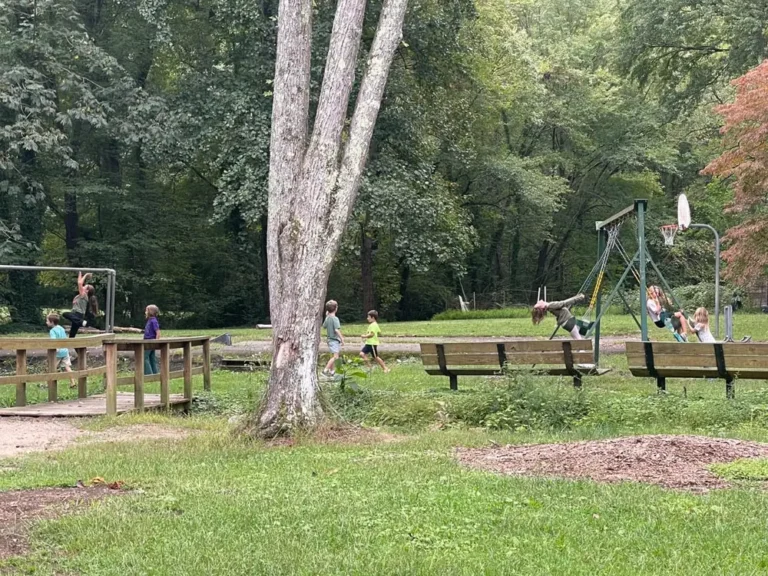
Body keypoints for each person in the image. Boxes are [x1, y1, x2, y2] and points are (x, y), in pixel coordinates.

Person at [62, 272, 98, 338]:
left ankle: (82, 322)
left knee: (65, 314)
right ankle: (75, 345)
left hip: (77, 314)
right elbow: (79, 282)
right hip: (78, 316)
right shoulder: (82, 295)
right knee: (72, 335)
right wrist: (80, 273)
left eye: (85, 287)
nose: (82, 287)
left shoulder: (83, 295)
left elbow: (79, 283)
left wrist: (86, 274)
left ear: (87, 291)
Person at [46, 314, 76, 388]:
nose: (46, 322)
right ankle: (73, 382)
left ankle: (49, 384)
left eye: (47, 321)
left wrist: (56, 348)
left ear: (52, 322)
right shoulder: (61, 328)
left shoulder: (52, 331)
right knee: (67, 367)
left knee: (52, 368)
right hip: (65, 350)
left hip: (58, 352)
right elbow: (64, 338)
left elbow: (54, 341)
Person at [322, 300, 344, 377]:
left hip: (329, 340)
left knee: (333, 356)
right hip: (334, 340)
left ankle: (332, 372)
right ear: (336, 308)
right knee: (335, 357)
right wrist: (342, 339)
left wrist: (326, 316)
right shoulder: (335, 319)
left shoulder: (328, 318)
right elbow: (336, 330)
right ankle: (325, 370)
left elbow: (324, 326)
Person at [144, 305, 161, 375]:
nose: (145, 312)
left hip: (150, 341)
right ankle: (155, 374)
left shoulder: (153, 321)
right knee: (151, 358)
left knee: (143, 357)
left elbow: (158, 332)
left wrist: (156, 342)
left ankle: (149, 374)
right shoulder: (150, 320)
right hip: (148, 341)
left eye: (146, 310)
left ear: (150, 312)